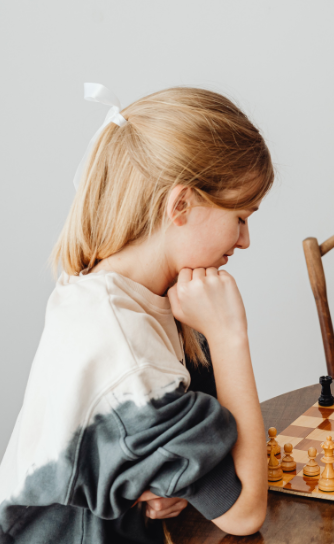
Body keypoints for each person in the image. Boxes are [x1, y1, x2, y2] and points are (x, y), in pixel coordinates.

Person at [0, 84, 274, 543]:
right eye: (240, 217)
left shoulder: (114, 293)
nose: (244, 241)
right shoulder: (128, 353)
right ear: (180, 204)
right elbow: (245, 512)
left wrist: (174, 479)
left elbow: (207, 458)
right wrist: (229, 337)